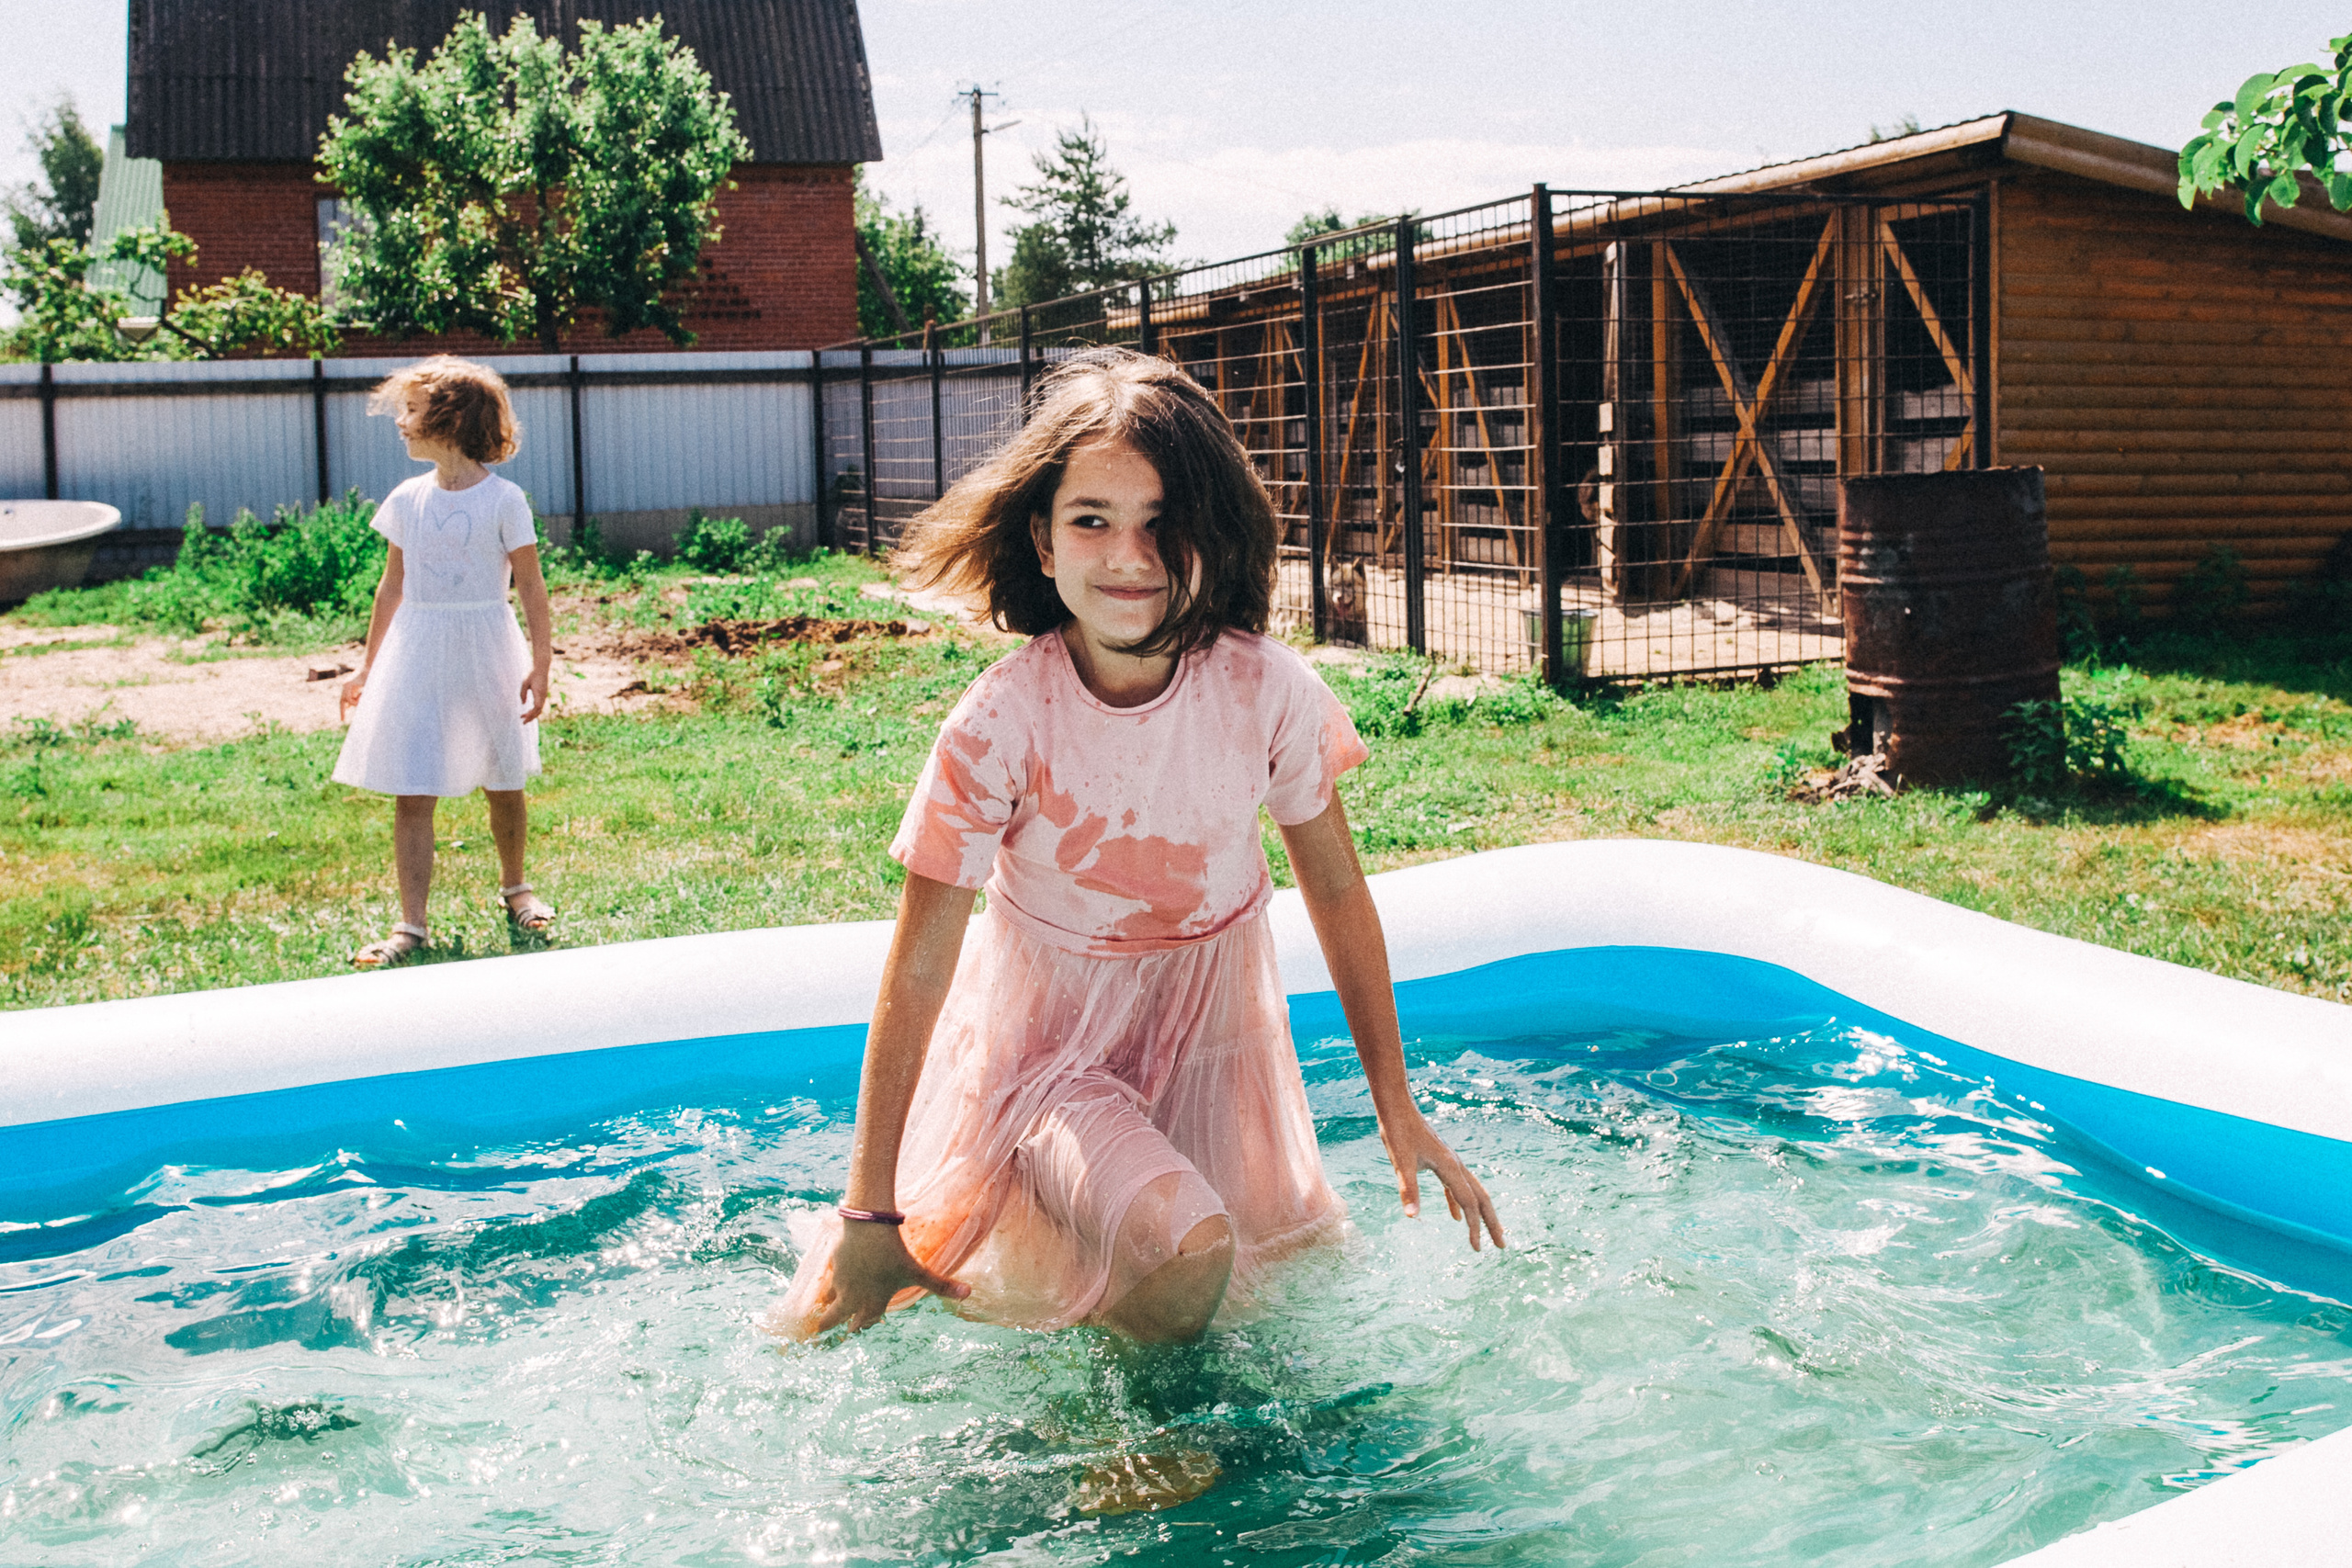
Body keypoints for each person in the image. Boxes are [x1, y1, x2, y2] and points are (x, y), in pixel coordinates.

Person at [773, 349, 1503, 1346]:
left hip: (1216, 1047)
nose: (1129, 555)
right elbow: (918, 968)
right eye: (1092, 520)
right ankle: (1124, 1443)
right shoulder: (1001, 725)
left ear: (1215, 534)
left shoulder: (1266, 696)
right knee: (1187, 1247)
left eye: (1163, 522)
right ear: (1041, 541)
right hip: (1049, 1067)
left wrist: (1395, 1105)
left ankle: (1112, 1406)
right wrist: (869, 1209)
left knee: (1238, 1311)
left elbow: (1334, 893)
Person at [335, 356, 556, 967]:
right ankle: (412, 924)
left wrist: (541, 663)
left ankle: (517, 887)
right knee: (413, 786)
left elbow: (533, 587)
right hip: (419, 651)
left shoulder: (505, 500)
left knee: (503, 778)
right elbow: (391, 587)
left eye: (410, 411)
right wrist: (366, 667)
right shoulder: (407, 499)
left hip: (489, 646)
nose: (401, 423)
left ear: (450, 418)